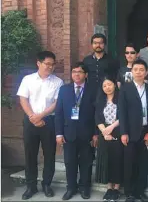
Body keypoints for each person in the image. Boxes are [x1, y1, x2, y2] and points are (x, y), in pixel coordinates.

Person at [17, 51, 64, 200]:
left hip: (49, 121)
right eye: (47, 64)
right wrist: (33, 116)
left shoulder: (58, 82)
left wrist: (41, 116)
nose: (50, 67)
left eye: (52, 64)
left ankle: (46, 185)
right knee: (30, 154)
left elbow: (56, 103)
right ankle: (31, 187)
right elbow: (23, 99)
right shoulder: (28, 79)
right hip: (30, 120)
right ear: (39, 63)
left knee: (49, 155)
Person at [55, 62, 97, 200]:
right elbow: (59, 113)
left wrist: (96, 133)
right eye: (74, 71)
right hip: (69, 134)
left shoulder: (94, 89)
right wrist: (59, 133)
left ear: (85, 74)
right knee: (69, 162)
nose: (76, 74)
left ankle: (85, 187)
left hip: (88, 134)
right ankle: (71, 188)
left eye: (80, 72)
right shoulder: (64, 90)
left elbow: (98, 113)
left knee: (86, 162)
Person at [119, 59, 148, 202]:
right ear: (131, 72)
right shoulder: (125, 88)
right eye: (136, 69)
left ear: (146, 72)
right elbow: (121, 112)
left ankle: (140, 192)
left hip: (146, 131)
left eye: (141, 70)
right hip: (130, 132)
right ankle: (129, 193)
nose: (139, 72)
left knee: (143, 163)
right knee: (129, 163)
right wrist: (123, 132)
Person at [95, 76, 124, 201]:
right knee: (106, 161)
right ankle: (109, 188)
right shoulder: (100, 100)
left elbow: (123, 116)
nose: (107, 87)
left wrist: (111, 128)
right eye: (104, 85)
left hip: (117, 132)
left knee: (117, 161)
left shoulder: (121, 99)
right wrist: (104, 132)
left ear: (115, 85)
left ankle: (116, 189)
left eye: (109, 84)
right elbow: (97, 118)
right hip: (104, 134)